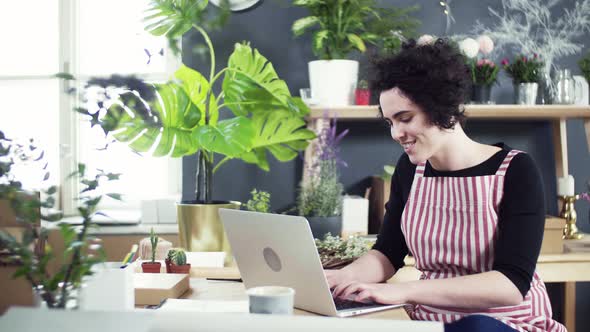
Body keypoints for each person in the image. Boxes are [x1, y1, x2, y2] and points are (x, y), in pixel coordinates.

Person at [326, 39, 566, 332]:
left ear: (443, 108)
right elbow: (387, 254)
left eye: (405, 118)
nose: (396, 133)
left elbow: (511, 284)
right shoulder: (409, 170)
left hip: (506, 322)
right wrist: (340, 278)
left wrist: (402, 292)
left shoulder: (515, 170)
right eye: (389, 122)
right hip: (431, 321)